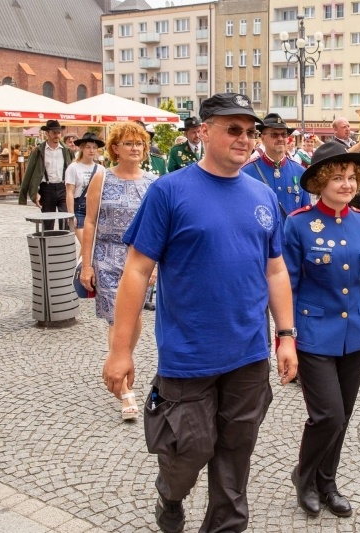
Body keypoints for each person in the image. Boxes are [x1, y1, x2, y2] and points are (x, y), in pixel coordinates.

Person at [102, 93, 298, 533]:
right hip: (187, 355)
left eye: (251, 131)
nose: (245, 139)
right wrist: (120, 350)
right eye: (233, 129)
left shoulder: (264, 195)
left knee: (235, 456)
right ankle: (170, 497)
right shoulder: (169, 191)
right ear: (204, 131)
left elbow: (276, 270)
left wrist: (286, 335)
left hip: (248, 356)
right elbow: (136, 270)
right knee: (186, 453)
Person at [284, 142, 360, 518]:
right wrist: (286, 337)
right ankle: (305, 476)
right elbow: (288, 286)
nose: (347, 185)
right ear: (319, 181)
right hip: (313, 335)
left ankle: (327, 483)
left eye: (352, 178)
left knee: (342, 415)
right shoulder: (298, 223)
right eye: (338, 178)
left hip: (357, 334)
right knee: (327, 415)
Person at [80, 122, 158, 421]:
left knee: (134, 316)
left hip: (139, 258)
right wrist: (87, 264)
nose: (135, 148)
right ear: (115, 148)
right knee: (117, 315)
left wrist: (157, 265)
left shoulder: (153, 183)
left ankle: (119, 358)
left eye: (139, 143)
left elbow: (159, 229)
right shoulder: (101, 177)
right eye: (128, 143)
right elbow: (89, 222)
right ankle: (125, 389)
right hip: (106, 255)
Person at [242, 113, 311, 218]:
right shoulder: (247, 172)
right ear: (262, 138)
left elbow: (306, 213)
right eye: (274, 135)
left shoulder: (300, 172)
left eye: (284, 134)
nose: (280, 138)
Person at [19, 119, 75, 230]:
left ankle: (62, 246)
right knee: (48, 222)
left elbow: (73, 171)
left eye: (58, 132)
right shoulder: (39, 151)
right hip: (46, 189)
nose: (57, 135)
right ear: (47, 133)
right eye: (54, 133)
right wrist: (31, 193)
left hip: (63, 187)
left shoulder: (66, 150)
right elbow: (29, 173)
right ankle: (48, 246)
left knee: (65, 221)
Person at [65, 132, 105, 246]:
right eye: (88, 147)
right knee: (87, 245)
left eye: (94, 148)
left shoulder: (101, 169)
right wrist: (71, 215)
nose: (91, 150)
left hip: (96, 208)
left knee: (89, 248)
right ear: (82, 148)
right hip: (80, 208)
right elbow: (69, 193)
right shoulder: (73, 168)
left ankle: (79, 264)